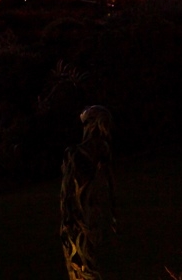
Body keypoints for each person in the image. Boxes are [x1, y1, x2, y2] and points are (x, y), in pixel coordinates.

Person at [60, 105, 114, 280]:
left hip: (89, 218)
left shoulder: (85, 153)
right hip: (84, 218)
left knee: (89, 264)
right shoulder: (84, 153)